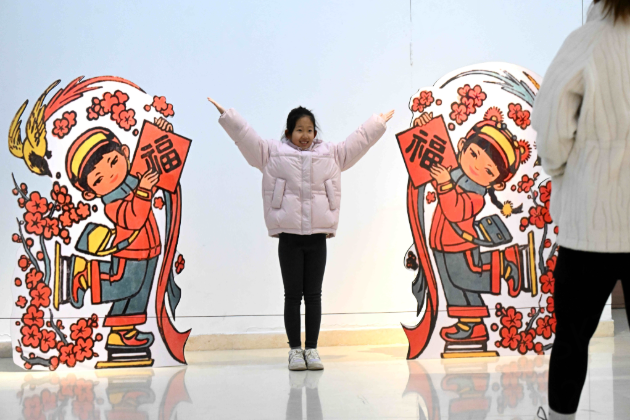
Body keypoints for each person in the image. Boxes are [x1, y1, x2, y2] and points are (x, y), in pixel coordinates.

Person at [208, 98, 393, 370]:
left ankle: (312, 350)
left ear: (315, 132)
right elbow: (245, 136)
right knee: (293, 296)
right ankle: (295, 350)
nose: (305, 135)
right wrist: (228, 115)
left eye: (309, 130)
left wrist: (377, 123)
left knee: (314, 295)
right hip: (289, 237)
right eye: (299, 130)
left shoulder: (331, 154)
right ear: (288, 132)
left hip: (317, 237)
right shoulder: (271, 153)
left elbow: (358, 142)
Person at [532, 0, 630, 418]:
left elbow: (551, 123)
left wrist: (561, 170)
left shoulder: (587, 41)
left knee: (572, 338)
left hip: (592, 223)